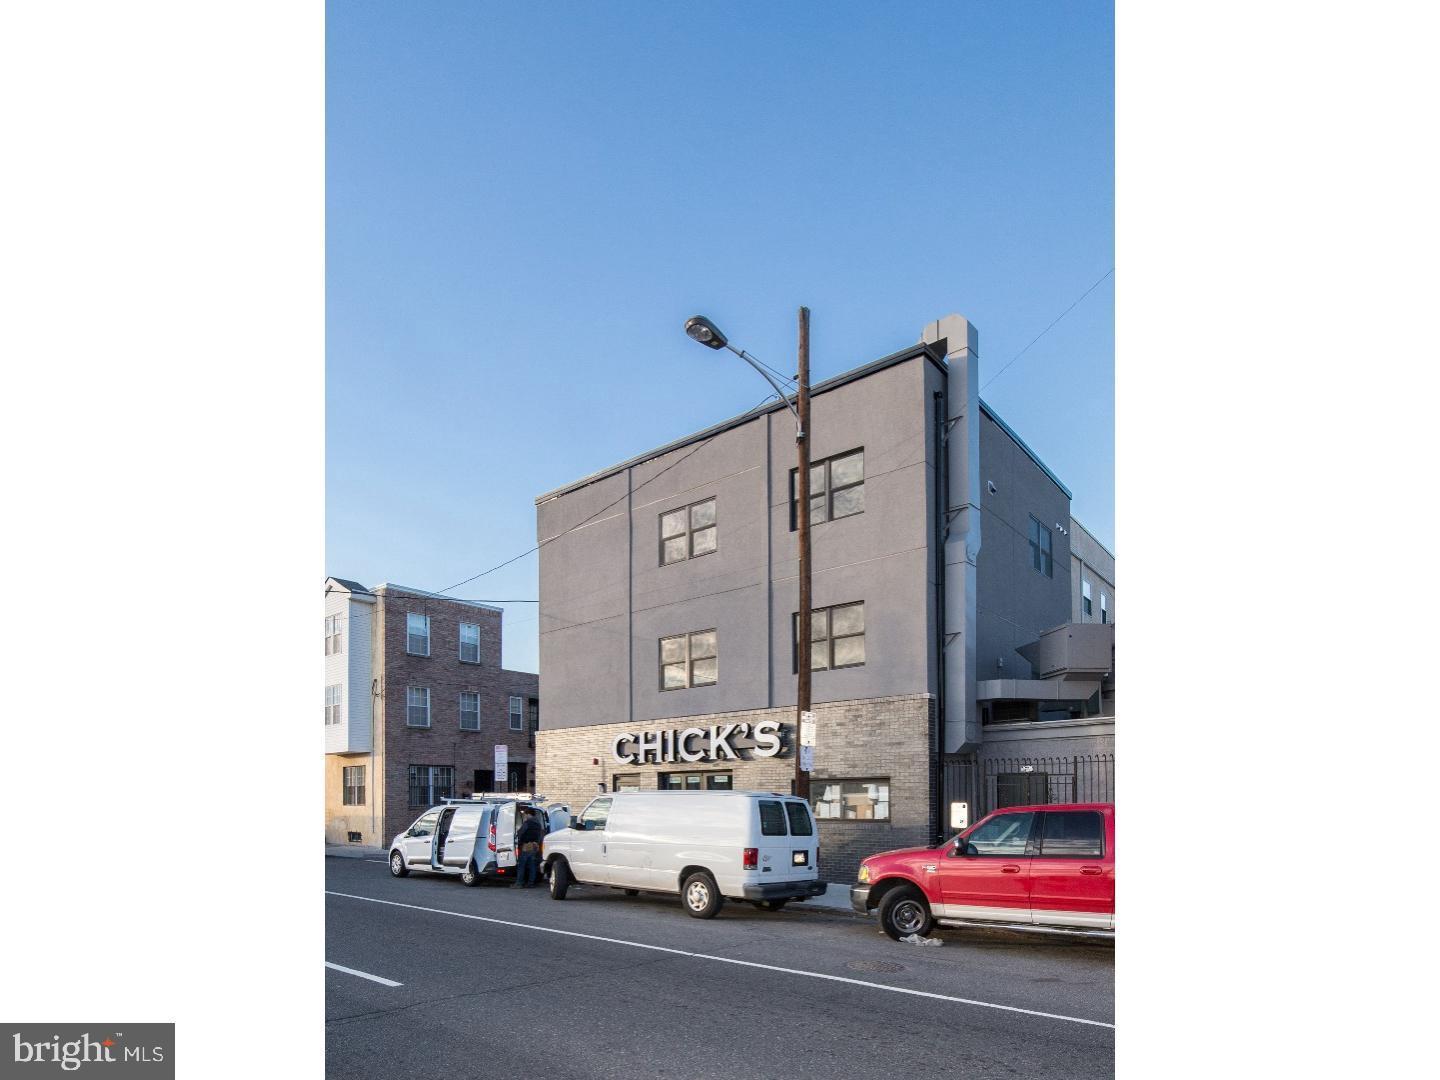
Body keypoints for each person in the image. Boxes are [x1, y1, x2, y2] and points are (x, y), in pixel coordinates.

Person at [515, 807, 544, 888]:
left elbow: (521, 833)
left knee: (522, 865)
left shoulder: (527, 823)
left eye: (525, 814)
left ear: (528, 814)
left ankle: (519, 883)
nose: (524, 816)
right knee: (532, 865)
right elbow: (540, 835)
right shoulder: (538, 823)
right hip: (534, 845)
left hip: (526, 845)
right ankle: (531, 883)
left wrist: (519, 842)